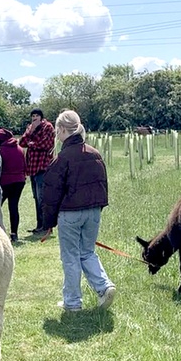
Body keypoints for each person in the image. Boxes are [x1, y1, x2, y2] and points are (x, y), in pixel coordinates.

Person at [41, 110, 116, 312]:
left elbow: (52, 193)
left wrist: (48, 222)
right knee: (87, 252)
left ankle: (72, 302)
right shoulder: (94, 154)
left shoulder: (62, 158)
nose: (56, 134)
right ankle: (104, 286)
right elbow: (102, 184)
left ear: (62, 129)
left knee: (71, 257)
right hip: (93, 211)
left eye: (57, 130)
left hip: (70, 213)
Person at [19, 108, 55, 234]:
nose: (34, 118)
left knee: (43, 198)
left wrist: (31, 143)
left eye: (37, 116)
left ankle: (47, 226)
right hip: (32, 168)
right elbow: (22, 142)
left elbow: (45, 144)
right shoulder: (30, 128)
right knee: (36, 198)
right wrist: (31, 132)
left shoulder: (48, 127)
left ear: (41, 117)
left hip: (43, 167)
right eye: (33, 116)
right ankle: (40, 225)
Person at [0, 128, 26, 242]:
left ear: (1, 140)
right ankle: (14, 234)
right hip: (19, 181)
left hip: (5, 182)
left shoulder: (0, 150)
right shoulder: (20, 148)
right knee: (13, 207)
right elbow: (24, 165)